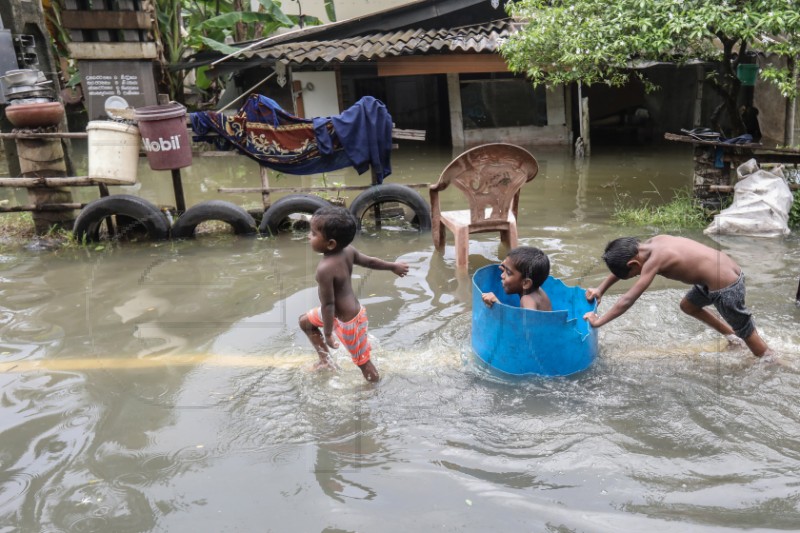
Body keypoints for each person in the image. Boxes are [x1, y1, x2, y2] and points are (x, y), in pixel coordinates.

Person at [583, 235, 771, 358]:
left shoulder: (655, 260)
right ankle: (733, 338)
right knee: (688, 306)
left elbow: (627, 299)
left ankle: (770, 361)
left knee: (746, 332)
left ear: (633, 263)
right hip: (722, 274)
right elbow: (623, 270)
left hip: (726, 287)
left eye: (634, 275)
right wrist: (601, 289)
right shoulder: (652, 243)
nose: (637, 276)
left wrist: (599, 321)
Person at [299, 205, 409, 382]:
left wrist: (327, 333)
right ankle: (325, 361)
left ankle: (374, 389)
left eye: (313, 234)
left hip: (349, 321)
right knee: (305, 322)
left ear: (330, 243)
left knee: (363, 362)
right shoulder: (348, 250)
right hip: (335, 314)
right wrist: (392, 266)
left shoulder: (324, 269)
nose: (308, 236)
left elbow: (328, 304)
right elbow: (371, 262)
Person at [482, 246, 552, 311]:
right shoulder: (537, 290)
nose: (502, 276)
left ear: (526, 283)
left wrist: (498, 304)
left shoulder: (527, 299)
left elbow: (527, 323)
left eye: (508, 273)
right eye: (504, 269)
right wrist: (507, 269)